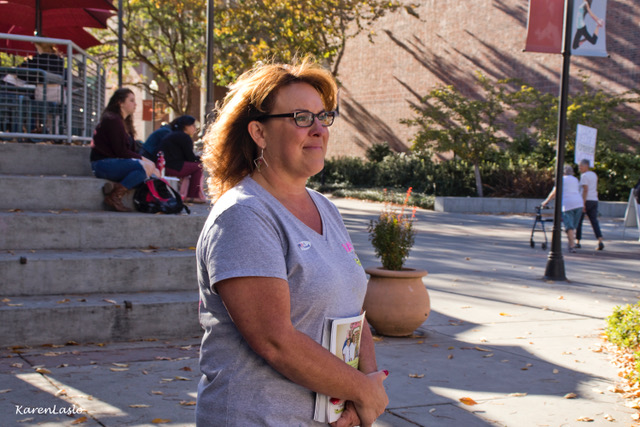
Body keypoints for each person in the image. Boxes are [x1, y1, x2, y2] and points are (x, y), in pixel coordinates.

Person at [196, 58, 389, 427]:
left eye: (323, 117)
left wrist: (362, 391)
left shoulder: (324, 207)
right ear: (259, 132)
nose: (318, 130)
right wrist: (365, 392)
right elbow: (275, 341)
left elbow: (353, 311)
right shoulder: (243, 215)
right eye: (301, 118)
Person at [90, 88, 159, 212]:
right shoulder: (112, 120)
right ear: (120, 103)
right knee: (143, 168)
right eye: (131, 100)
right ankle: (114, 196)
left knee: (150, 174)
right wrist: (146, 161)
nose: (135, 104)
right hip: (102, 164)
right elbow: (121, 151)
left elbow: (129, 151)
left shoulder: (125, 122)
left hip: (117, 163)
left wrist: (150, 166)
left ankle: (114, 188)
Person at [157, 115, 206, 203]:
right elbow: (190, 158)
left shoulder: (174, 134)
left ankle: (189, 194)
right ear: (186, 126)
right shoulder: (184, 137)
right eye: (193, 125)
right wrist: (202, 158)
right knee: (198, 167)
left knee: (195, 166)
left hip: (164, 165)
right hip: (172, 166)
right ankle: (192, 196)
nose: (195, 128)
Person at [541, 164, 585, 253]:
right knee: (573, 226)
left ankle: (572, 245)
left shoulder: (561, 179)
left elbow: (554, 192)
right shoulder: (575, 179)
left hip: (567, 204)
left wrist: (546, 202)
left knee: (569, 226)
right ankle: (571, 242)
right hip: (578, 203)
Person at [576, 159, 604, 250]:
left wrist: (583, 203)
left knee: (579, 221)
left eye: (581, 166)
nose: (579, 168)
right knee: (594, 221)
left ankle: (578, 241)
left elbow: (585, 190)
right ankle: (600, 240)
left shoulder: (584, 176)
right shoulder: (594, 174)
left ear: (586, 166)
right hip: (594, 199)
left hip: (586, 200)